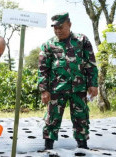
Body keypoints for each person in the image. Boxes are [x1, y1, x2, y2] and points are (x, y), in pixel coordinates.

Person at [38, 12, 98, 150]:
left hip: (79, 88)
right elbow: (42, 69)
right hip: (56, 88)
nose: (58, 30)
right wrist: (44, 90)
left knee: (81, 116)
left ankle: (82, 145)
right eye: (55, 28)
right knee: (52, 118)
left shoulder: (82, 40)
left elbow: (90, 63)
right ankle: (48, 146)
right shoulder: (48, 45)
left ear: (69, 25)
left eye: (61, 27)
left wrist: (93, 84)